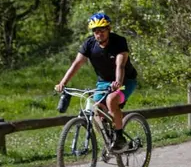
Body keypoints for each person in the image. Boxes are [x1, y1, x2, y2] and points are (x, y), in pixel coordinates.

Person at [55, 13, 138, 152]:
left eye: (102, 30)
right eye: (95, 31)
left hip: (125, 80)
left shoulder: (119, 42)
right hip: (104, 82)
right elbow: (77, 63)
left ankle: (119, 138)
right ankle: (108, 140)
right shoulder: (89, 43)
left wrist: (118, 82)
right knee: (96, 110)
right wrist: (62, 82)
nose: (98, 34)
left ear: (109, 29)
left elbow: (120, 65)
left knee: (112, 100)